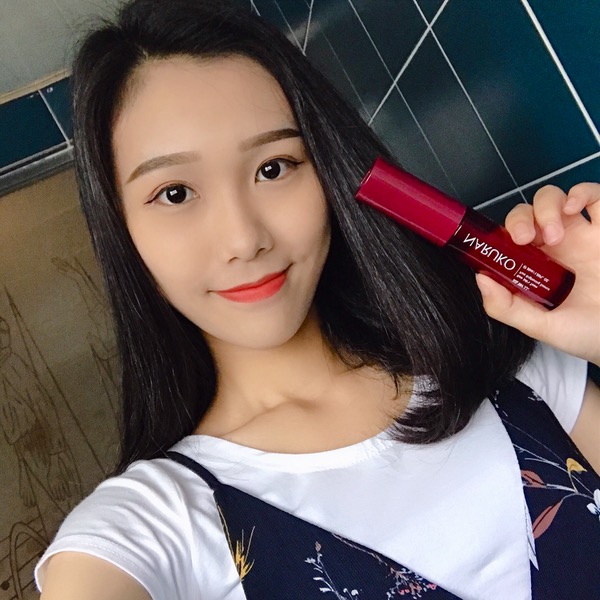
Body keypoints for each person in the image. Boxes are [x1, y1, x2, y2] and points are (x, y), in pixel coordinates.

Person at [35, 0, 600, 598]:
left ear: (329, 172)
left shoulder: (493, 363)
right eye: (175, 193)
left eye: (274, 168)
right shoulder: (156, 525)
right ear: (121, 232)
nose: (244, 239)